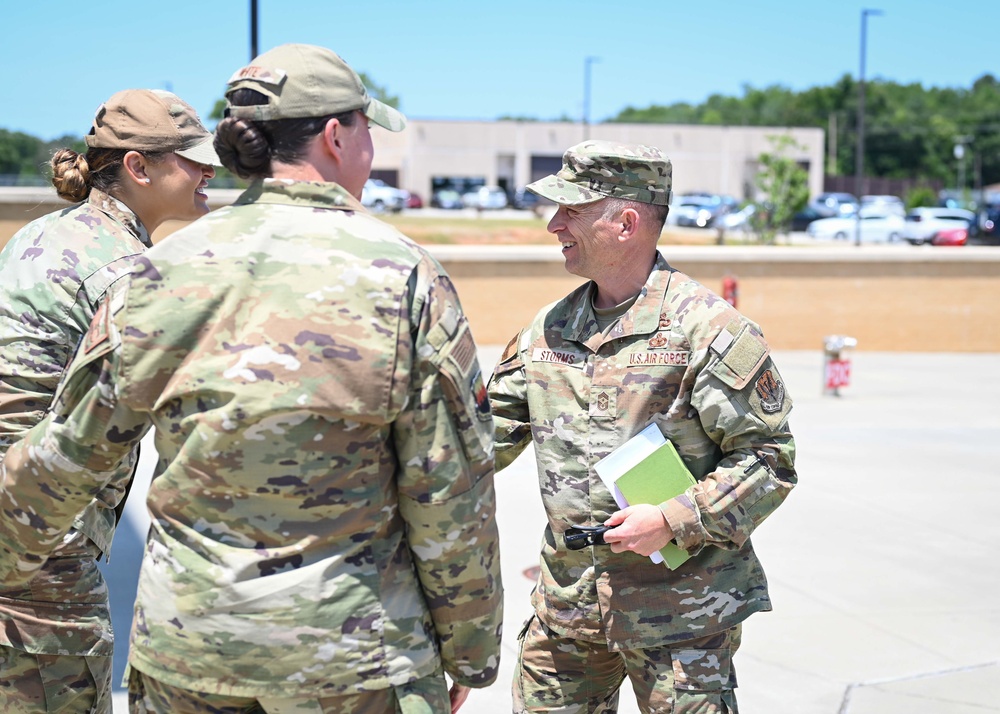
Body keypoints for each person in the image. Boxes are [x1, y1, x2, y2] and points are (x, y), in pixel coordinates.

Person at [0, 43, 502, 714]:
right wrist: (470, 647)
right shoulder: (404, 274)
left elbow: (69, 449)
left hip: (188, 661)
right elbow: (450, 489)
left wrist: (7, 558)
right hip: (355, 667)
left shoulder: (156, 272)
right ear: (334, 136)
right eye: (365, 132)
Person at [488, 140, 797, 713]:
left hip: (682, 616)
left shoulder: (709, 330)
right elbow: (481, 439)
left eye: (572, 211)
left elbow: (768, 461)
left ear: (626, 221)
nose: (555, 224)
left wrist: (672, 518)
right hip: (568, 609)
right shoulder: (548, 329)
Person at [0, 89, 218, 713]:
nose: (209, 172)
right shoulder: (126, 271)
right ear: (137, 168)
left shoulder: (43, 235)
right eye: (192, 160)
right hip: (42, 557)